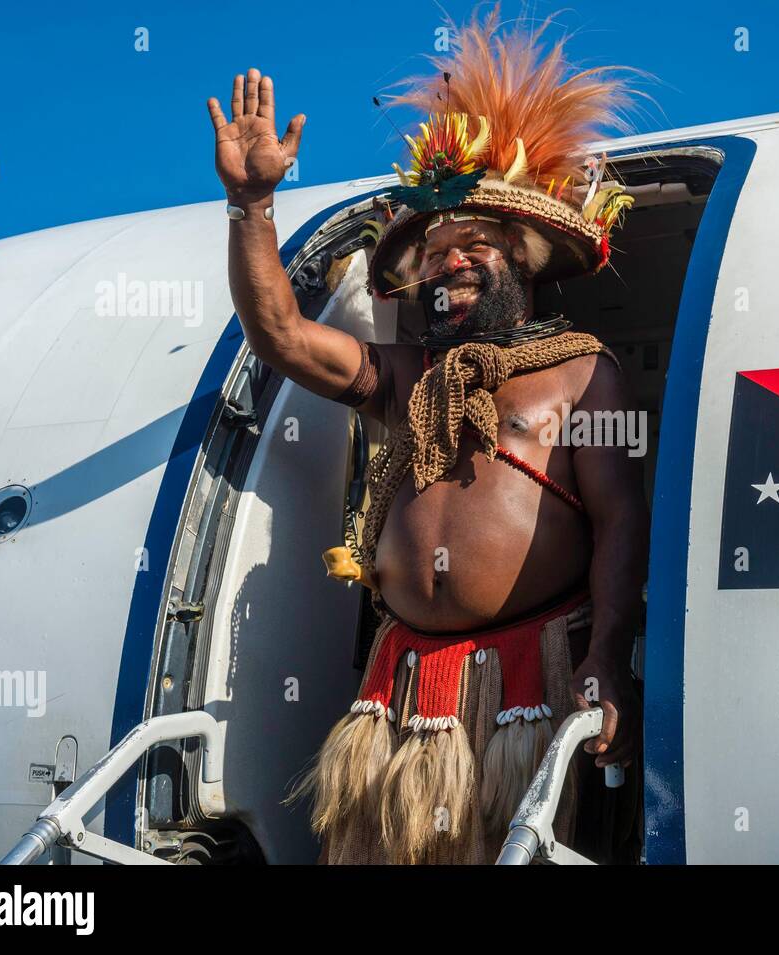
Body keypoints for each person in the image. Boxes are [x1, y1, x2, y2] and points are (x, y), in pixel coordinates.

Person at [206, 9, 648, 863]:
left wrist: (608, 655)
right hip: (398, 700)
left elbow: (623, 522)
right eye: (430, 252)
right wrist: (252, 205)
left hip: (530, 687)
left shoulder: (580, 372)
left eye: (469, 245)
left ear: (519, 255)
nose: (445, 265)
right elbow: (283, 337)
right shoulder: (402, 376)